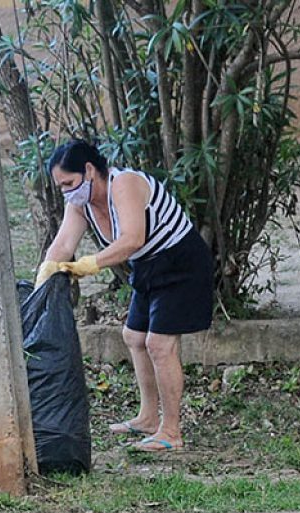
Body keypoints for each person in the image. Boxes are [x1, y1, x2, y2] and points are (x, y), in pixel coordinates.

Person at [35, 140, 213, 452]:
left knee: (159, 345)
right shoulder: (80, 203)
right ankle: (147, 417)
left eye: (69, 183)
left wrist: (91, 264)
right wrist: (45, 276)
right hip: (147, 266)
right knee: (133, 336)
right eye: (60, 186)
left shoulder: (125, 184)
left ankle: (170, 432)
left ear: (89, 171)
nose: (66, 191)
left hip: (181, 262)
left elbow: (132, 238)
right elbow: (62, 245)